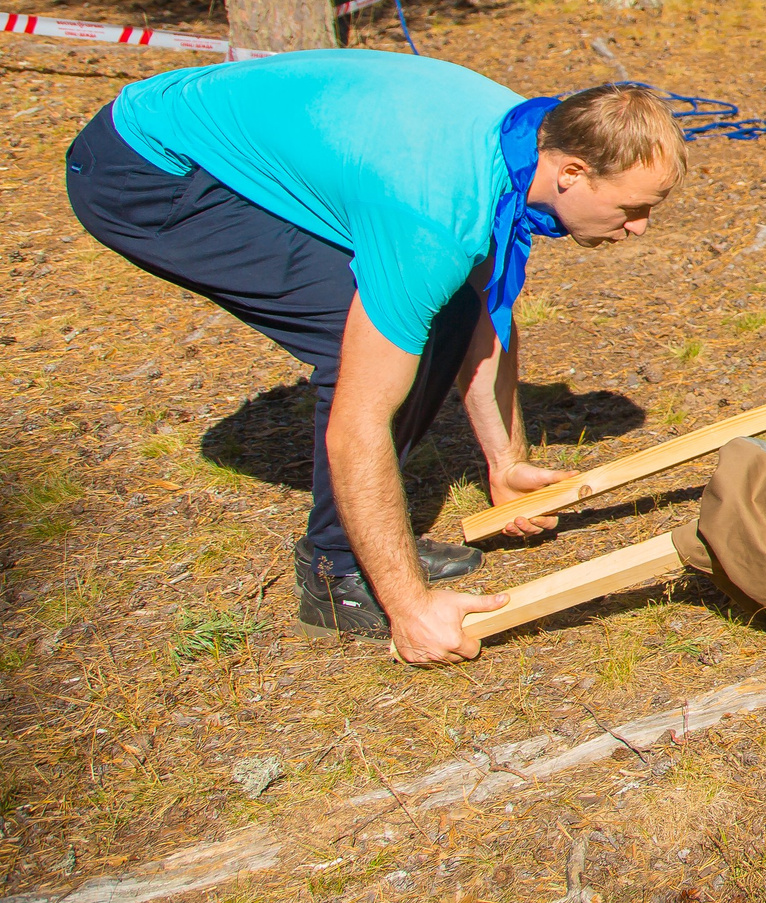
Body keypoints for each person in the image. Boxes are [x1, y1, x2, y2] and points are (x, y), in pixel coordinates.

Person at [63, 57, 683, 664]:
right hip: (146, 173)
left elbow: (483, 298)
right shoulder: (435, 212)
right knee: (364, 345)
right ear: (571, 173)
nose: (640, 229)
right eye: (633, 208)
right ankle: (339, 572)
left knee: (435, 312)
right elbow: (357, 423)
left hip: (213, 136)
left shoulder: (525, 138)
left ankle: (365, 549)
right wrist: (411, 607)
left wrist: (506, 463)